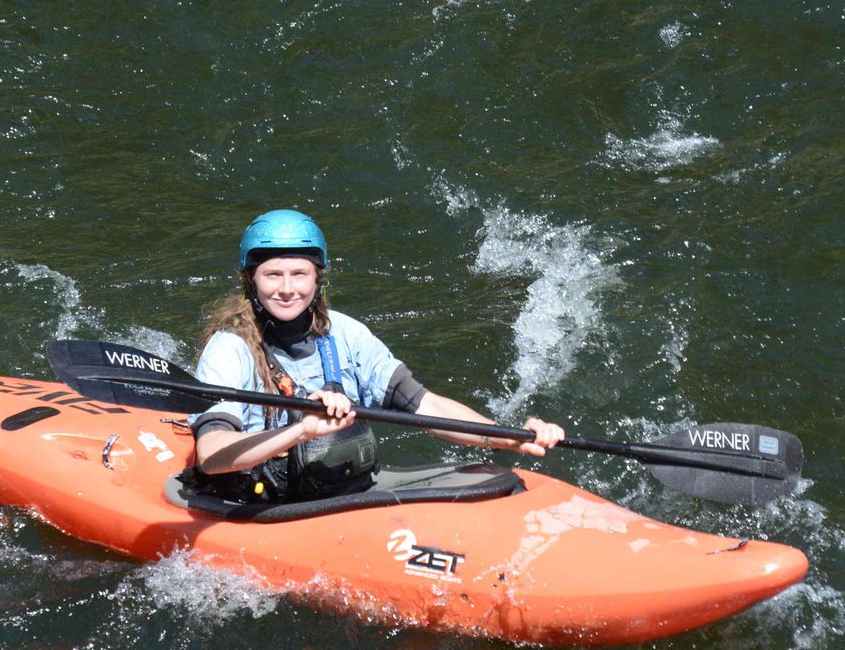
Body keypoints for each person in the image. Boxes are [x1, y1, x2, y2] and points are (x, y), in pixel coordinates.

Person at [189, 209, 566, 502]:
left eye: (299, 274)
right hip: (259, 503)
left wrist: (507, 438)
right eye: (273, 275)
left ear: (317, 280)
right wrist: (300, 430)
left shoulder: (344, 334)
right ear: (251, 281)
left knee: (499, 483)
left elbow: (423, 406)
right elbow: (211, 454)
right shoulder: (230, 349)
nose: (287, 289)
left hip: (339, 491)